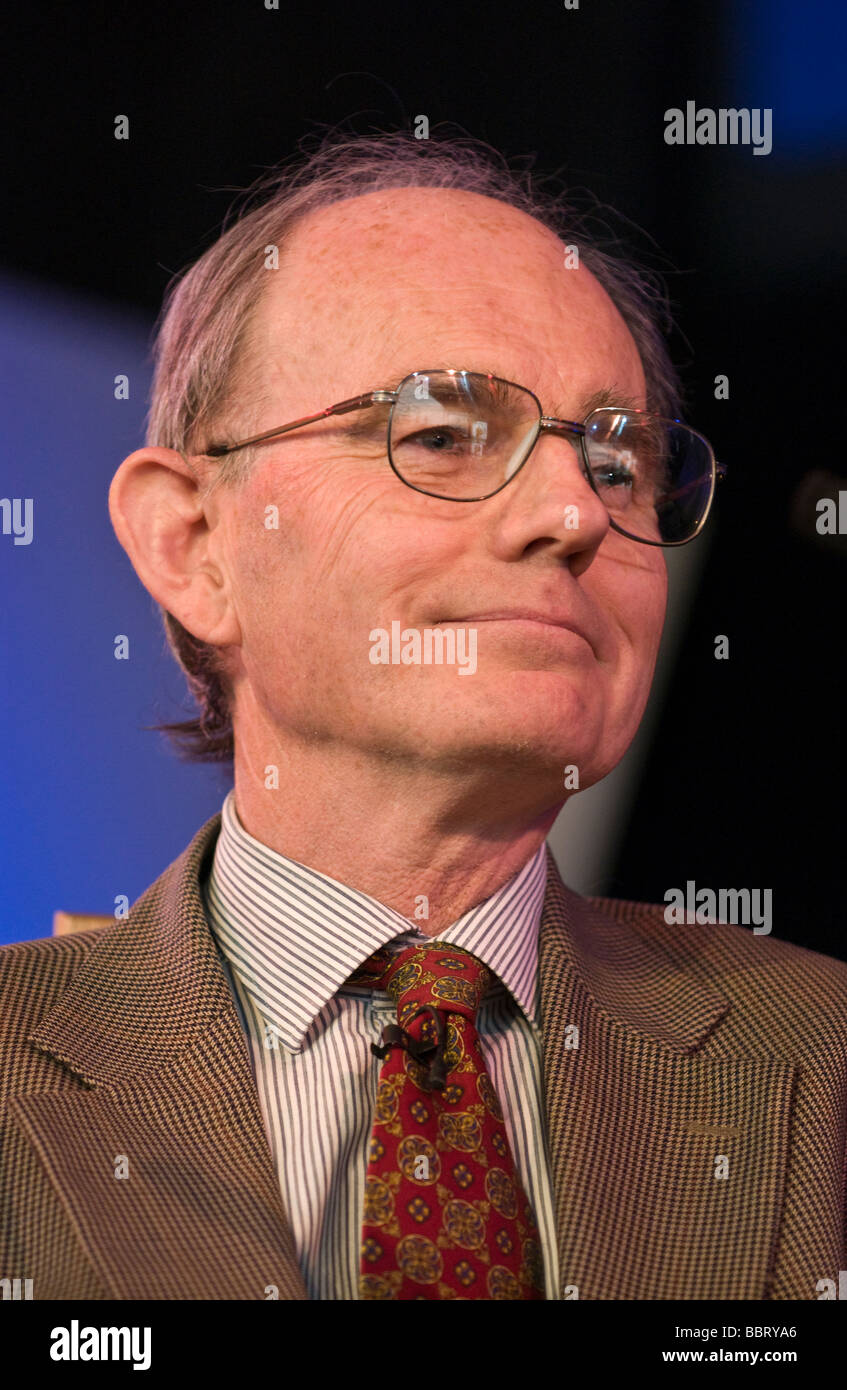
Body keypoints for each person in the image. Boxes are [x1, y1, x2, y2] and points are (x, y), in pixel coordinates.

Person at [2, 134, 845, 1301]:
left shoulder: (825, 1066)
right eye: (443, 433)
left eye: (616, 462)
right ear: (196, 545)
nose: (572, 512)